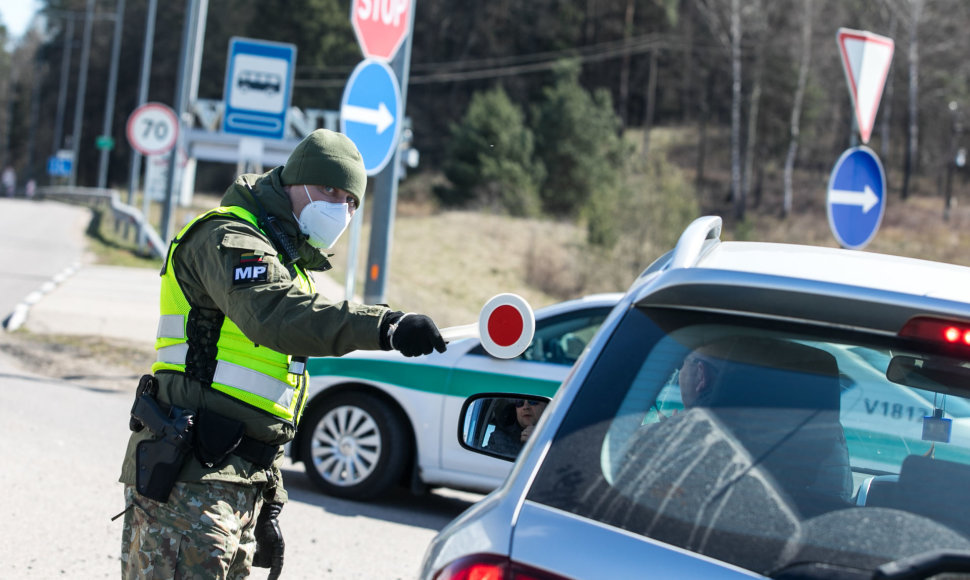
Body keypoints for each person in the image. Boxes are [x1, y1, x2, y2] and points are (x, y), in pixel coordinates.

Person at [117, 129, 447, 580]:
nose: (340, 208)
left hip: (238, 482)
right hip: (190, 478)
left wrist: (269, 493)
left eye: (351, 200)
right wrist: (384, 326)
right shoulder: (227, 236)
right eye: (330, 190)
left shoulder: (290, 265)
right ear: (294, 181)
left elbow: (268, 392)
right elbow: (275, 315)